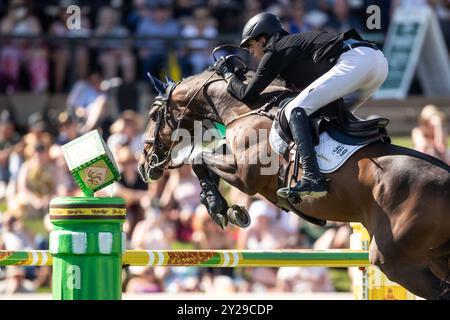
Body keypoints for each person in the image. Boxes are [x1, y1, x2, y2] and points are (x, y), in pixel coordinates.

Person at [211, 12, 388, 200]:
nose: (251, 52)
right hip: (376, 63)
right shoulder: (291, 49)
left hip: (356, 61)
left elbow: (247, 94)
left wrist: (228, 75)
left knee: (295, 110)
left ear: (263, 39)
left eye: (250, 45)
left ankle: (312, 177)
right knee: (335, 116)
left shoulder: (275, 49)